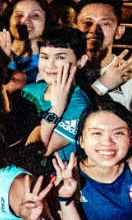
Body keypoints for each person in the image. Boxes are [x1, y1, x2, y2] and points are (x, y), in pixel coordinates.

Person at [20, 26, 92, 159]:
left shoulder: (80, 105)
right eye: (45, 57)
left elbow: (39, 151)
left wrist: (57, 109)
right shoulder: (29, 91)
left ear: (81, 61)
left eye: (60, 57)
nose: (50, 65)